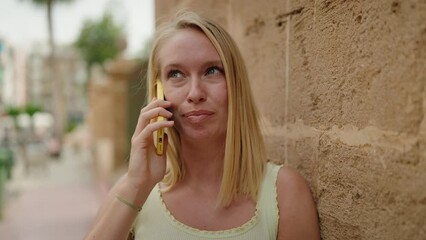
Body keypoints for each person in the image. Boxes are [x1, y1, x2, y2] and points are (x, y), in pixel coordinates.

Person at [85, 10, 320, 240]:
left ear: (235, 85)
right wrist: (136, 185)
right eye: (176, 74)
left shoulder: (284, 193)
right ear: (159, 92)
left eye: (212, 71)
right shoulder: (134, 193)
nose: (195, 93)